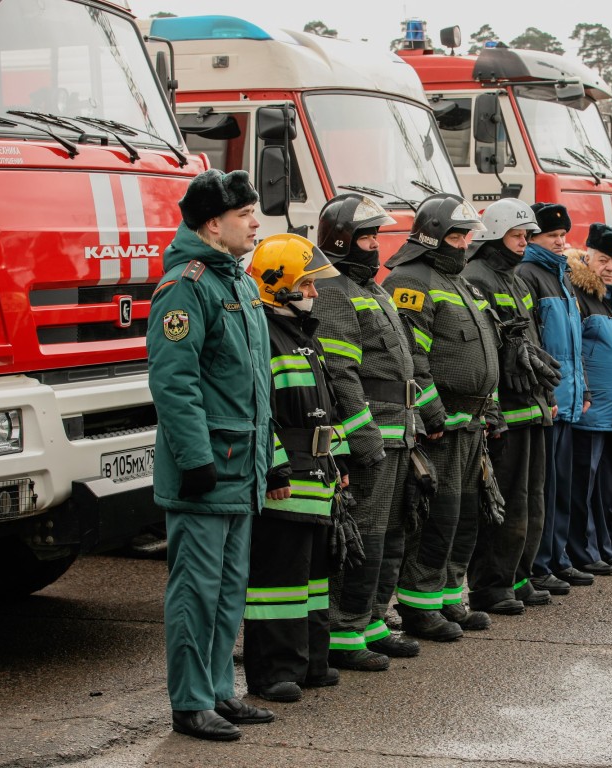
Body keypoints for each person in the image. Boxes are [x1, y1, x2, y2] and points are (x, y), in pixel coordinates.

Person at [147, 169, 274, 741]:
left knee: (228, 589)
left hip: (240, 465)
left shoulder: (238, 283)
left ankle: (220, 692)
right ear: (211, 224)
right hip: (208, 467)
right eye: (245, 214)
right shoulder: (187, 284)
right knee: (195, 590)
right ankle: (191, 701)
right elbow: (174, 384)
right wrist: (196, 459)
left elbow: (256, 386)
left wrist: (270, 458)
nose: (256, 222)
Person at [382, 193, 500, 639]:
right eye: (455, 235)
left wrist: (489, 408)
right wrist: (432, 413)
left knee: (464, 515)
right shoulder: (411, 281)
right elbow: (412, 357)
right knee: (436, 517)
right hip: (442, 426)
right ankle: (419, 605)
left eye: (466, 235)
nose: (463, 243)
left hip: (470, 423)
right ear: (431, 236)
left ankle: (450, 595)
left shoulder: (459, 281)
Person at [311, 194, 421, 671]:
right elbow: (340, 372)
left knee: (391, 534)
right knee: (365, 536)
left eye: (377, 236)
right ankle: (344, 629)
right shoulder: (335, 290)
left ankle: (373, 619)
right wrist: (363, 434)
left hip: (399, 430)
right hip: (373, 434)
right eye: (366, 237)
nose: (375, 246)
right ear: (341, 241)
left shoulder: (371, 288)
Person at [243, 233, 348, 703]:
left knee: (313, 581)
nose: (315, 293)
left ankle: (310, 662)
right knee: (276, 583)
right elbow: (256, 410)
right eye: (307, 284)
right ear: (278, 286)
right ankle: (273, 673)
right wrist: (275, 469)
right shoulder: (261, 334)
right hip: (286, 482)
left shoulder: (305, 336)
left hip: (318, 477)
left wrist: (339, 459)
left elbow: (326, 408)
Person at [462, 199, 556, 613]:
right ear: (496, 234)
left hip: (532, 407)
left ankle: (519, 574)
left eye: (526, 237)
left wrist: (547, 397)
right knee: (506, 503)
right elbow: (484, 351)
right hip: (505, 415)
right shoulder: (477, 277)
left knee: (532, 499)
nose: (524, 244)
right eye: (518, 236)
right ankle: (492, 585)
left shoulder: (517, 282)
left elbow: (532, 345)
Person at [516, 203, 594, 594]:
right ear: (533, 238)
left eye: (563, 235)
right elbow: (534, 345)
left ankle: (558, 558)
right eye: (552, 236)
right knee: (544, 488)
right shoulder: (529, 275)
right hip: (550, 398)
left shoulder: (560, 275)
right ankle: (539, 564)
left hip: (568, 395)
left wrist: (584, 390)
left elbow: (573, 343)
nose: (561, 242)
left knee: (562, 485)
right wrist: (549, 393)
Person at [564, 225, 612, 573]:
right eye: (604, 259)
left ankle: (603, 547)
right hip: (589, 408)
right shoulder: (579, 295)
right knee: (582, 487)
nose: (610, 267)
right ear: (588, 256)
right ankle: (584, 552)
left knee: (605, 486)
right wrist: (586, 393)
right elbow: (574, 351)